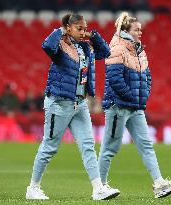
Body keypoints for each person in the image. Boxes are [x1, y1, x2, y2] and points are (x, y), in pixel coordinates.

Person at [25, 13, 120, 200]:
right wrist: (60, 31)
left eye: (85, 28)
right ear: (68, 28)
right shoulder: (59, 45)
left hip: (80, 104)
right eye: (79, 28)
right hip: (59, 104)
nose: (83, 32)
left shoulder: (85, 47)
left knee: (88, 146)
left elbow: (105, 52)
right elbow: (46, 46)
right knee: (49, 147)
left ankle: (98, 189)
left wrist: (92, 35)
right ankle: (33, 188)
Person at [98, 12, 171, 198]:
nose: (141, 32)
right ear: (127, 30)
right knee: (110, 147)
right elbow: (114, 78)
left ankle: (159, 183)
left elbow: (147, 76)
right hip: (117, 106)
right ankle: (99, 186)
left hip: (135, 107)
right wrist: (131, 97)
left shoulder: (139, 50)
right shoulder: (117, 48)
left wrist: (142, 96)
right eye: (137, 29)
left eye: (141, 29)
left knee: (146, 145)